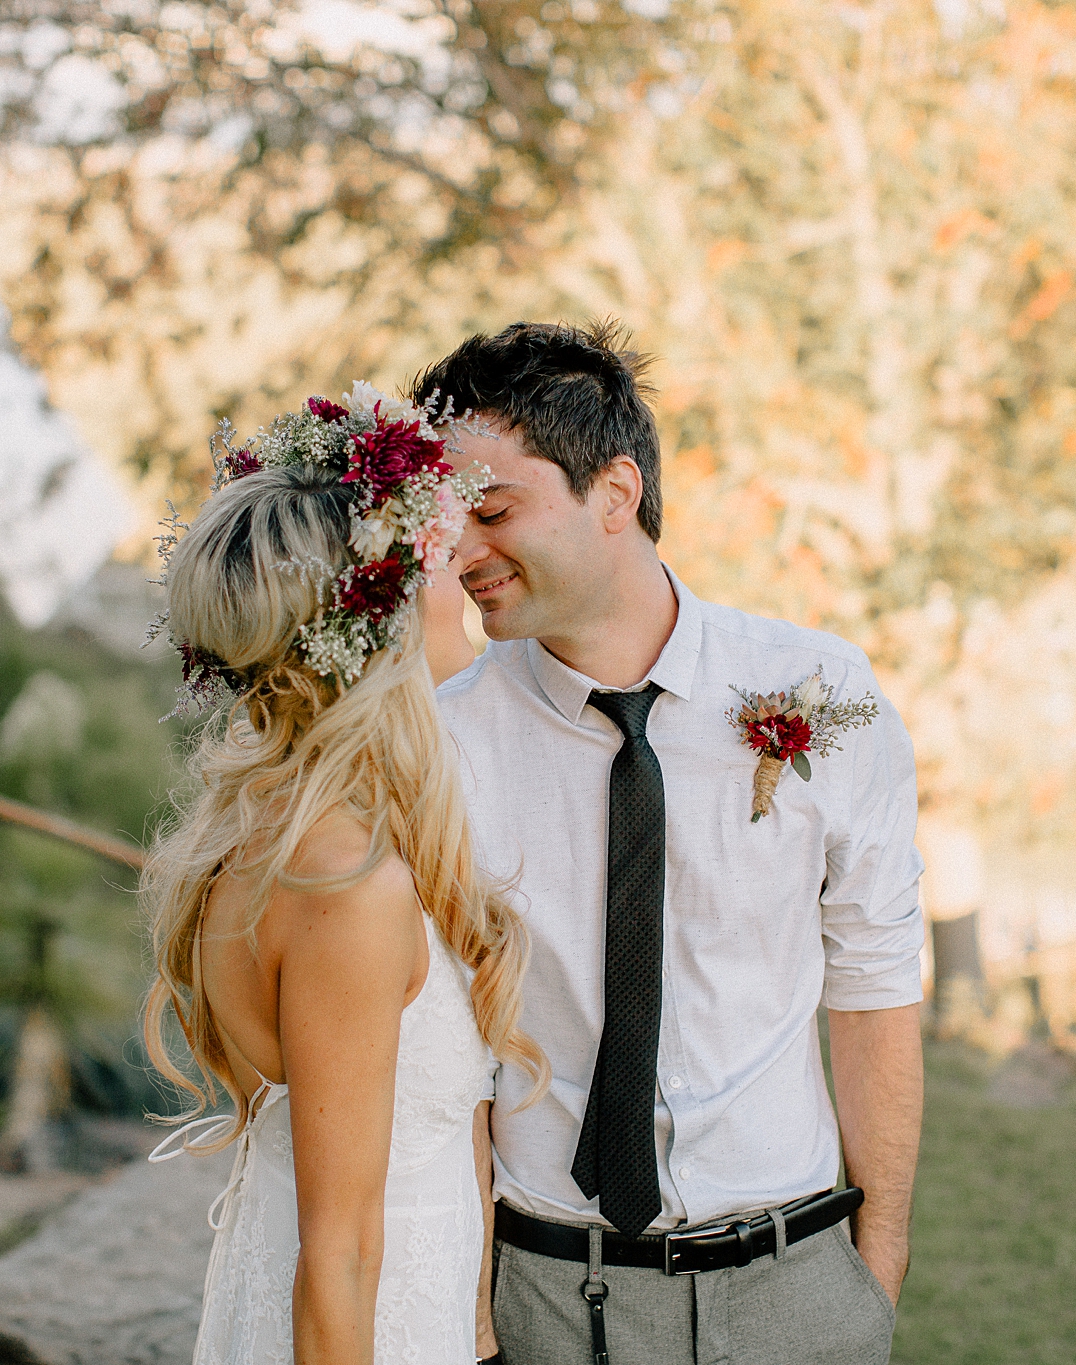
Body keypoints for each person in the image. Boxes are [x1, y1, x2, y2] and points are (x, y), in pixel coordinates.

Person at [416, 322, 926, 1365]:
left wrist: (872, 1278)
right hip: (556, 1296)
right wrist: (478, 1323)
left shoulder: (820, 691)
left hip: (800, 1288)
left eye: (492, 509)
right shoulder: (442, 744)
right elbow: (450, 1058)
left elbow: (873, 984)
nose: (459, 552)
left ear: (614, 492)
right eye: (445, 519)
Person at [140, 387, 545, 1365]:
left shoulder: (300, 828)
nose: (463, 571)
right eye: (434, 563)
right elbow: (338, 1252)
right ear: (376, 628)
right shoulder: (342, 888)